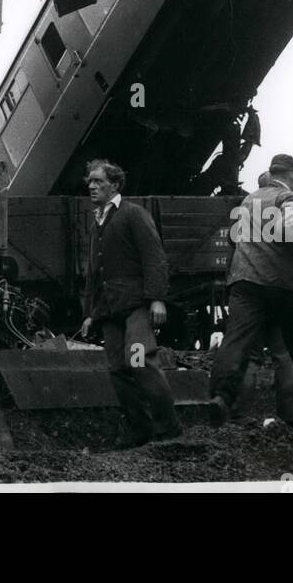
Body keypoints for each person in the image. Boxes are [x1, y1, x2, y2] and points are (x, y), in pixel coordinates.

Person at [205, 153, 293, 427]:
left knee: (238, 343)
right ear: (292, 175)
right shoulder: (287, 198)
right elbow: (289, 231)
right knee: (290, 351)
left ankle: (223, 400)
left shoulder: (247, 201)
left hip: (244, 282)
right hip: (280, 284)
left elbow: (234, 240)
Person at [78, 159, 181, 446]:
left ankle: (169, 429)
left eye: (98, 181)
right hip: (110, 311)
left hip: (136, 306)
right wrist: (89, 314)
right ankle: (140, 429)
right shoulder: (98, 221)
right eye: (89, 182)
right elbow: (93, 273)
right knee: (117, 370)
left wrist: (157, 299)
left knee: (138, 362)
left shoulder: (133, 214)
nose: (92, 186)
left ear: (114, 184)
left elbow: (154, 257)